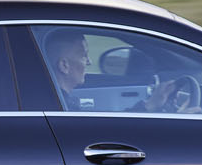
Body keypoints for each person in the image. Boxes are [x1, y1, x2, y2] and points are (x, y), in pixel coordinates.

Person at [44, 28, 181, 112]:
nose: (90, 62)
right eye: (84, 56)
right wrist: (150, 106)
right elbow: (100, 134)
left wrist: (150, 105)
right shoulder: (59, 107)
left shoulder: (57, 101)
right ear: (64, 66)